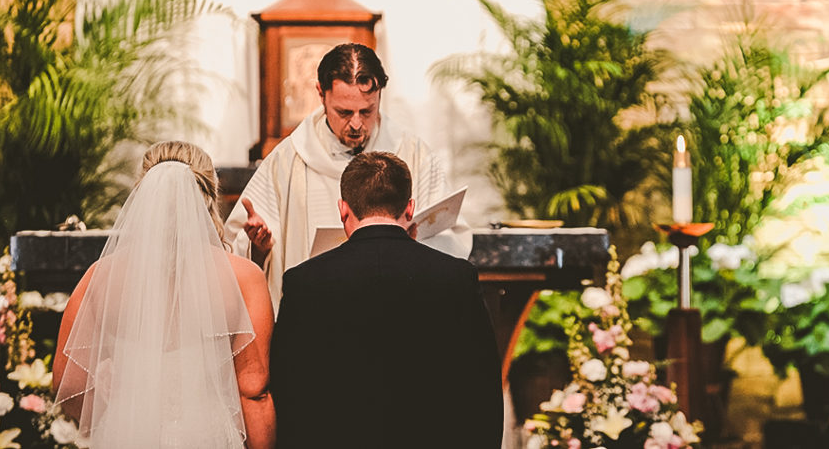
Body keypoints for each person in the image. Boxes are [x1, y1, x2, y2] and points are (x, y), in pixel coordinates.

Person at [270, 151, 503, 449]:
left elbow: (289, 389)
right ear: (410, 209)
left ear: (343, 210)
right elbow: (482, 388)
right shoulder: (456, 277)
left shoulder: (304, 282)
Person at [53, 141, 276, 449]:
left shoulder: (100, 278)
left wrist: (119, 416)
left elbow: (69, 388)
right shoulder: (243, 278)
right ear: (210, 198)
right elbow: (254, 392)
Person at [224, 42, 472, 310]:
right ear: (321, 94)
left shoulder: (411, 153)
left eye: (367, 111)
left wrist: (414, 241)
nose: (356, 124)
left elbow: (451, 239)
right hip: (319, 314)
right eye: (344, 112)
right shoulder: (288, 159)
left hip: (395, 310)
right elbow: (236, 256)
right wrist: (258, 246)